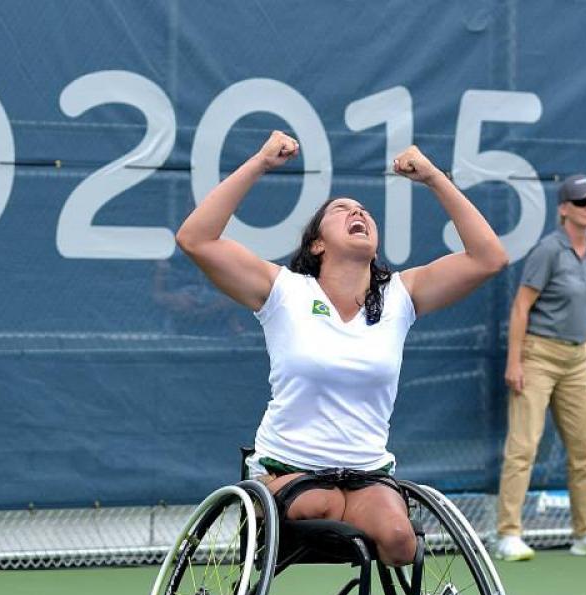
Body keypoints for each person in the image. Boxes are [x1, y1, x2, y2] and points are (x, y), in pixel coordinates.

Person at [176, 130, 508, 566]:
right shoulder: (283, 291)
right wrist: (260, 163)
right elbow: (195, 239)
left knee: (399, 541)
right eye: (342, 210)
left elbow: (489, 258)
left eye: (364, 211)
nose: (358, 212)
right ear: (317, 243)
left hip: (366, 473)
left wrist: (432, 178)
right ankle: (282, 499)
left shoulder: (400, 296)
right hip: (289, 467)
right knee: (318, 506)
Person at [494, 174, 586, 560]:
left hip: (575, 361)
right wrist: (515, 361)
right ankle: (508, 535)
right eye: (582, 202)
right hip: (538, 356)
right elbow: (521, 306)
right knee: (523, 447)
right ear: (564, 209)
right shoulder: (548, 250)